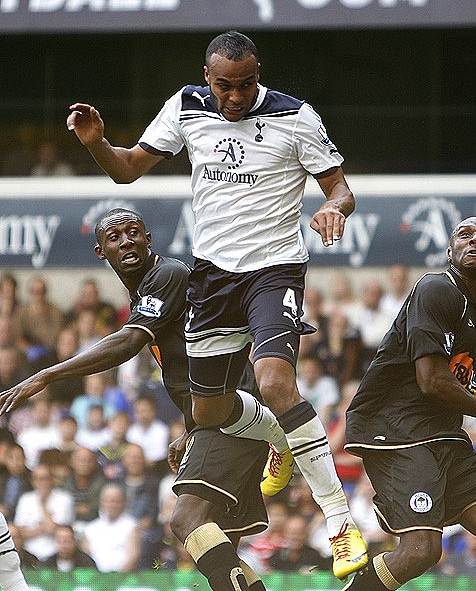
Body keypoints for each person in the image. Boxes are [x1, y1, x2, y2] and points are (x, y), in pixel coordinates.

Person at [66, 29, 366, 578]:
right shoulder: (186, 107)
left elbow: (340, 188)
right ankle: (280, 439)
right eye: (225, 86)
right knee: (211, 413)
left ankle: (341, 523)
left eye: (246, 84)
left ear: (258, 73)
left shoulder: (295, 117)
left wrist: (335, 209)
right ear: (208, 78)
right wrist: (95, 143)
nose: (234, 96)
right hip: (212, 277)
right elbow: (128, 168)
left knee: (275, 382)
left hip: (274, 269)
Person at [0, 209, 283, 591]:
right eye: (115, 238)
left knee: (186, 521)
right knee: (219, 543)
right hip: (216, 416)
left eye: (134, 233)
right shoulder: (147, 288)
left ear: (149, 239)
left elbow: (129, 341)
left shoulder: (167, 274)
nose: (126, 242)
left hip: (231, 415)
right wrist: (190, 431)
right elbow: (194, 366)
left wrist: (47, 373)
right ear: (101, 252)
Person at [343, 218, 476, 591]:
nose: (475, 240)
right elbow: (432, 381)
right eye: (464, 235)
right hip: (396, 430)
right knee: (421, 550)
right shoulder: (435, 289)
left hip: (443, 435)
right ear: (450, 251)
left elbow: (454, 376)